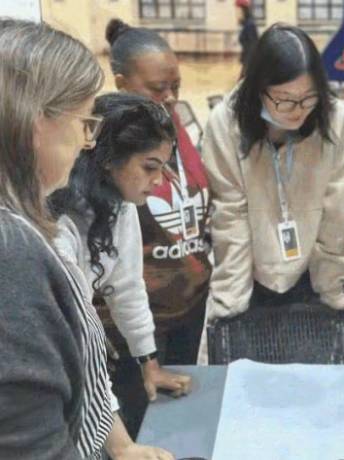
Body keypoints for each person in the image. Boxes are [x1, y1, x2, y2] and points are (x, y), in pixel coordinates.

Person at [0, 19, 172, 459]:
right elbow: (29, 439)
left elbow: (83, 354)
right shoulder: (13, 251)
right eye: (83, 122)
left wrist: (122, 446)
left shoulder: (31, 228)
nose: (85, 141)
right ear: (36, 122)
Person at [197, 23, 344, 362]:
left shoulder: (334, 119)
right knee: (252, 374)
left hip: (314, 276)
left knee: (308, 374)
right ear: (258, 89)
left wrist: (330, 284)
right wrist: (232, 298)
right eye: (284, 100)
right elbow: (230, 215)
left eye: (308, 97)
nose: (298, 110)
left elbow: (343, 212)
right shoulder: (226, 123)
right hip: (250, 277)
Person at [49, 93, 194, 437]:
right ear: (108, 159)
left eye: (163, 167)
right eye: (149, 167)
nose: (158, 181)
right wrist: (120, 442)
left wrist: (149, 363)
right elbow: (75, 335)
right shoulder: (56, 222)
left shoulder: (120, 203)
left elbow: (127, 287)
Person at [104, 19, 212, 437]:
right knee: (138, 432)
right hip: (134, 325)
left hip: (188, 307)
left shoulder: (175, 127)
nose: (170, 98)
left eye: (176, 87)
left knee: (179, 428)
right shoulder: (106, 151)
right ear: (121, 83)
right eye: (157, 88)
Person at [235, 0, 259, 73]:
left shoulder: (249, 25)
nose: (236, 15)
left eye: (238, 12)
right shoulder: (246, 24)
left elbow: (252, 46)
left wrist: (246, 66)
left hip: (249, 62)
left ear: (244, 11)